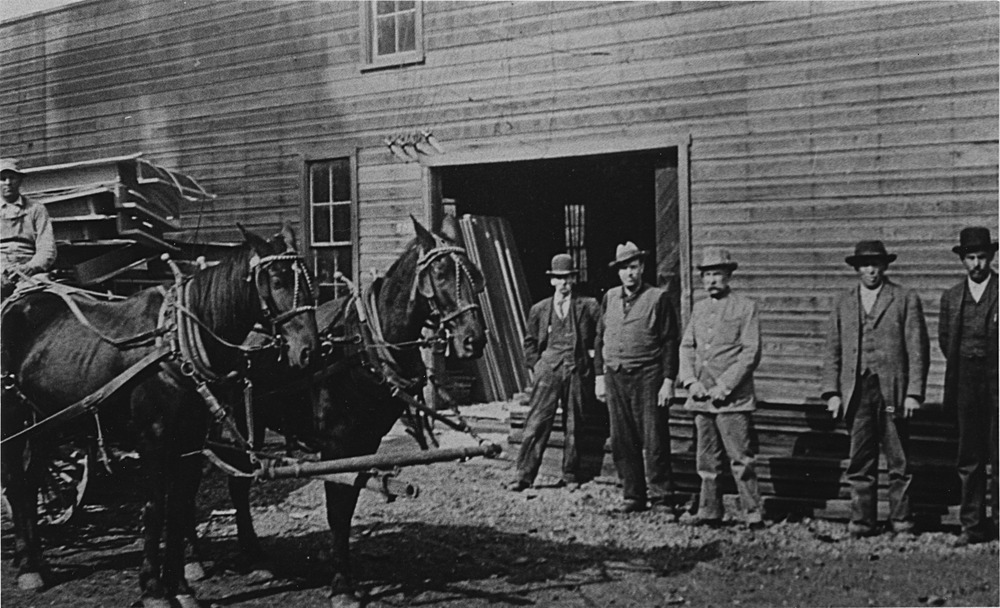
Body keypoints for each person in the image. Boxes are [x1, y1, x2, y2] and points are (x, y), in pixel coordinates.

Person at [822, 240, 929, 538]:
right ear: (856, 268)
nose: (871, 270)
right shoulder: (843, 302)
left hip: (892, 392)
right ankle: (862, 522)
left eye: (876, 264)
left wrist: (914, 392)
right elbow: (832, 349)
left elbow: (917, 348)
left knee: (899, 459)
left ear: (885, 266)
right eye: (865, 265)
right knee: (860, 460)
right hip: (857, 392)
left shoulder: (904, 298)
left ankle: (902, 521)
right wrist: (832, 392)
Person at [679, 248, 764, 528]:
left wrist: (724, 385)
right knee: (707, 460)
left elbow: (750, 352)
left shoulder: (744, 307)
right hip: (702, 398)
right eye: (707, 274)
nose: (712, 280)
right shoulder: (700, 308)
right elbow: (687, 346)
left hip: (732, 399)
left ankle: (752, 513)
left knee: (741, 459)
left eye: (717, 274)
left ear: (728, 276)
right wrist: (691, 381)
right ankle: (709, 511)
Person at [594, 241, 679, 514]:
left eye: (634, 267)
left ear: (641, 267)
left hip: (648, 375)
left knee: (654, 437)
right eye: (624, 268)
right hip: (616, 375)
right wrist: (599, 376)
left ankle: (662, 496)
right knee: (621, 439)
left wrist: (668, 380)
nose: (629, 273)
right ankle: (633, 495)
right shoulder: (609, 297)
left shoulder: (658, 297)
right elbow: (599, 338)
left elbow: (669, 342)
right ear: (618, 272)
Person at [508, 253, 601, 492]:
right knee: (537, 421)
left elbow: (602, 336)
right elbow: (529, 342)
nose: (564, 283)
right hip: (548, 370)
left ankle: (571, 473)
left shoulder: (589, 306)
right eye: (559, 279)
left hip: (576, 370)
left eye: (568, 278)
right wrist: (537, 365)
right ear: (552, 281)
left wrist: (593, 365)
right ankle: (524, 475)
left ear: (573, 279)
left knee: (575, 423)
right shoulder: (539, 309)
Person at [938, 227, 998, 547]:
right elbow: (946, 341)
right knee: (969, 456)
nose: (976, 264)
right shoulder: (951, 297)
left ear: (991, 257)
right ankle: (972, 526)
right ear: (962, 260)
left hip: (998, 384)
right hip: (965, 383)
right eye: (970, 257)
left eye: (982, 257)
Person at [1, 157, 55, 299]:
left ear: (19, 180)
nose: (8, 183)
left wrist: (30, 267)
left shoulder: (36, 209)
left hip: (29, 271)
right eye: (2, 178)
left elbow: (47, 248)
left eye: (12, 177)